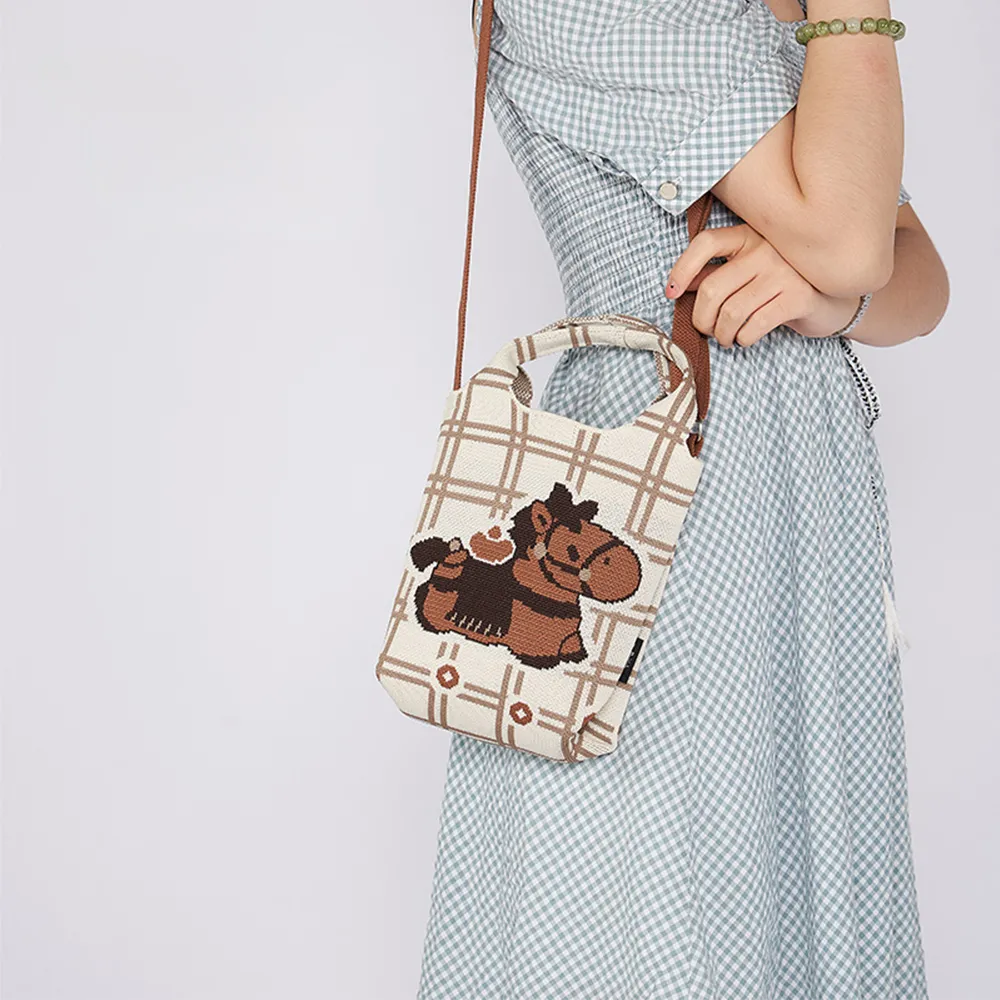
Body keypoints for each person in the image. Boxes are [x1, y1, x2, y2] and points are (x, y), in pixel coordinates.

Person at [416, 0, 949, 996]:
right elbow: (849, 235)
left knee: (781, 879)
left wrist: (834, 299)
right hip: (673, 490)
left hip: (799, 497)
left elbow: (915, 277)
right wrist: (842, 264)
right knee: (669, 886)